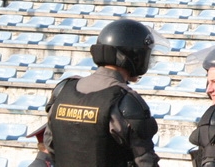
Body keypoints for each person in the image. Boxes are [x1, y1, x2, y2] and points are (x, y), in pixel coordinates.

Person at [44, 18, 163, 167]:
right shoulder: (125, 101)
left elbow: (49, 146)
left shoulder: (63, 90)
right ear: (136, 55)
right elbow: (146, 162)